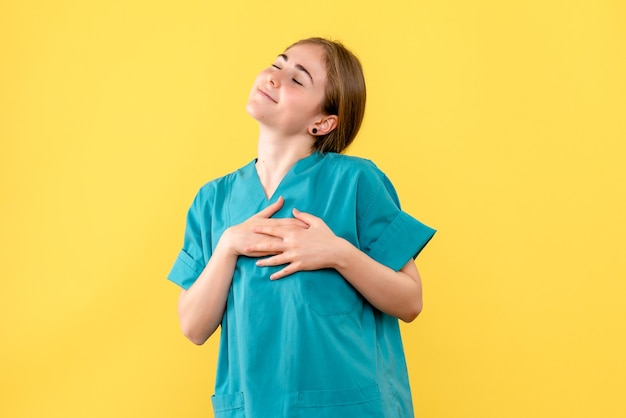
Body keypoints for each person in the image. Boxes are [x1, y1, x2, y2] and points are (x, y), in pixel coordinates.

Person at [168, 37, 436, 417]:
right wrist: (227, 245)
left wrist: (339, 254)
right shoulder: (213, 201)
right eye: (278, 64)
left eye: (299, 78)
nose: (276, 77)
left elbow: (410, 302)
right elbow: (194, 328)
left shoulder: (356, 182)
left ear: (322, 122)